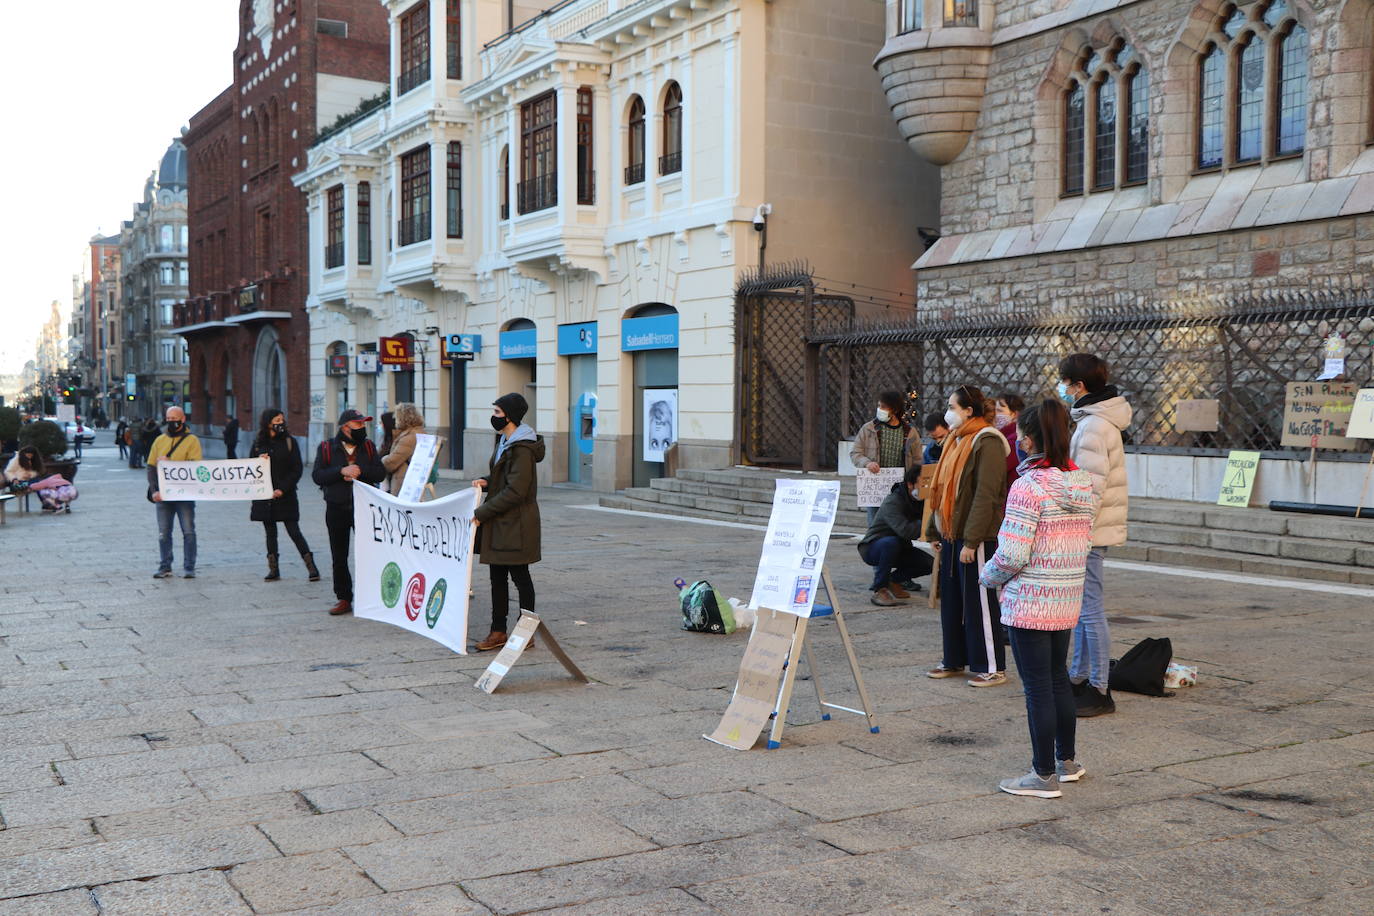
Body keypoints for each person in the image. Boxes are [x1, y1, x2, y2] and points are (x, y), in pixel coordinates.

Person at [980, 399, 1096, 797]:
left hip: (1029, 600)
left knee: (1038, 689)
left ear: (1027, 440)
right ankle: (1066, 761)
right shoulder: (1082, 483)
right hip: (1065, 597)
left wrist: (986, 577)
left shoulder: (1027, 487)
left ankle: (1042, 774)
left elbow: (1011, 554)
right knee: (1058, 680)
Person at [1059, 353, 1133, 717]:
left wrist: (1076, 532)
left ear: (1080, 386)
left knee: (1089, 610)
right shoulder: (1096, 421)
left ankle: (1099, 688)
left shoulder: (1093, 426)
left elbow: (1088, 489)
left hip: (1088, 530)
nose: (1064, 390)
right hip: (1092, 528)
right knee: (1084, 609)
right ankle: (1079, 677)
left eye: (1066, 383)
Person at [923, 385, 1011, 687]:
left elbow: (985, 495)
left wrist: (972, 541)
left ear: (969, 410)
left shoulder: (987, 441)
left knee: (980, 600)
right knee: (953, 601)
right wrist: (935, 529)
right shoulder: (955, 440)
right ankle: (954, 658)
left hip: (977, 534)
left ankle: (991, 665)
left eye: (952, 406)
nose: (948, 412)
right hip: (952, 532)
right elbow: (942, 488)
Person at [472, 393, 545, 652]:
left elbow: (517, 490)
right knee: (497, 576)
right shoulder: (506, 441)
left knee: (520, 576)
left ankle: (526, 632)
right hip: (502, 522)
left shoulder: (522, 448)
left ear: (510, 416)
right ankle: (498, 631)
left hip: (516, 523)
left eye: (498, 412)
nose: (494, 416)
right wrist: (487, 481)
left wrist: (483, 513)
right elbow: (504, 478)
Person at [312, 408, 387, 616]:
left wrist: (360, 471)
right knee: (339, 555)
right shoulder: (327, 447)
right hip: (337, 508)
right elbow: (317, 475)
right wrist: (340, 471)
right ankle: (344, 597)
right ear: (345, 427)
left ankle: (372, 595)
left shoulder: (369, 447)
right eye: (358, 424)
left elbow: (380, 473)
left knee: (369, 553)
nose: (363, 428)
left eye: (364, 424)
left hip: (364, 508)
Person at [249, 408, 319, 583]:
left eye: (282, 420)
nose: (280, 423)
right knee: (270, 533)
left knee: (294, 531)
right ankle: (273, 569)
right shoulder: (258, 442)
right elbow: (249, 467)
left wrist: (282, 488)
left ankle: (311, 566)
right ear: (268, 423)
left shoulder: (290, 442)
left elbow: (297, 469)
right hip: (264, 495)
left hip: (285, 495)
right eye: (276, 420)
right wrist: (259, 458)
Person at [857, 464, 934, 606]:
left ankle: (893, 580)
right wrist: (928, 522)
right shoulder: (893, 501)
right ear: (910, 484)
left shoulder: (924, 501)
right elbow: (905, 530)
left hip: (901, 547)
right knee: (891, 542)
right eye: (922, 483)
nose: (926, 487)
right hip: (874, 547)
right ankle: (880, 589)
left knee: (930, 564)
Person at [850, 391, 921, 526]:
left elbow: (917, 461)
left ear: (894, 409)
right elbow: (855, 453)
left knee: (899, 523)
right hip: (875, 486)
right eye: (879, 406)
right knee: (875, 524)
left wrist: (913, 482)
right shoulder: (868, 429)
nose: (879, 410)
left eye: (883, 407)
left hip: (900, 487)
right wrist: (867, 463)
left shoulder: (910, 433)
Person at [148, 406, 202, 579]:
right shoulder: (159, 440)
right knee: (164, 533)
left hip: (184, 495)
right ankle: (165, 566)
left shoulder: (192, 440)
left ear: (183, 419)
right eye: (168, 418)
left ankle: (189, 566)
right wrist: (154, 490)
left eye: (174, 418)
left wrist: (169, 462)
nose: (171, 421)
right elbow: (151, 467)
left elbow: (195, 466)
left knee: (188, 531)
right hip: (164, 495)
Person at [381, 403, 425, 494]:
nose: (395, 420)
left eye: (397, 417)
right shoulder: (419, 432)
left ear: (402, 418)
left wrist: (383, 459)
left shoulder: (409, 437)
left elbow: (391, 463)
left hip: (403, 482)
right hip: (412, 481)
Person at [995, 391, 1027, 495]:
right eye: (994, 411)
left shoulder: (1014, 439)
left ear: (1015, 414)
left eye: (999, 411)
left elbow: (997, 470)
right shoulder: (1003, 436)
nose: (995, 415)